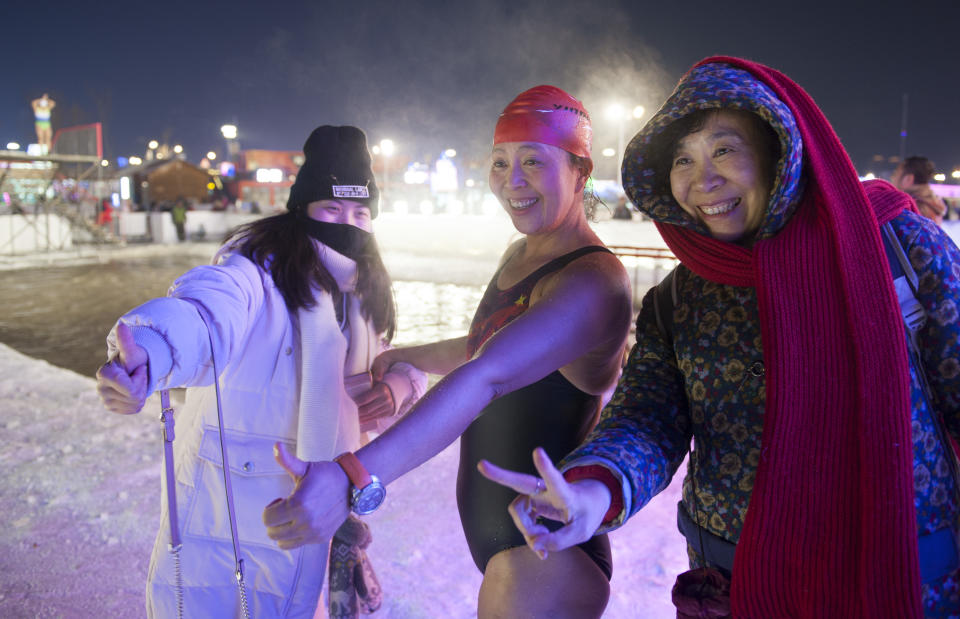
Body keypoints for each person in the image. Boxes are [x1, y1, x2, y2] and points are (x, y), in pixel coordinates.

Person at [480, 57, 960, 618]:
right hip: (731, 587)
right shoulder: (682, 298)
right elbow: (647, 418)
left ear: (780, 151)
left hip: (905, 579)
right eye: (682, 159)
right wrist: (595, 489)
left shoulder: (894, 248)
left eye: (724, 150)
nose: (701, 180)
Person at [263, 86, 633, 618]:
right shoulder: (522, 254)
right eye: (501, 162)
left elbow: (489, 375)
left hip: (547, 553)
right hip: (511, 545)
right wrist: (411, 355)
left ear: (580, 170)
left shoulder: (594, 280)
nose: (513, 180)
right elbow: (490, 343)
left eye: (534, 160)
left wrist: (353, 475)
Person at [95, 125, 426, 618]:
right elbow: (206, 312)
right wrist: (152, 350)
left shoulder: (362, 286)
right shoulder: (256, 268)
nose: (347, 224)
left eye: (360, 213)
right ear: (303, 209)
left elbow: (379, 359)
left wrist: (399, 385)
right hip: (231, 510)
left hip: (321, 504)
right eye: (331, 209)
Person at [893, 155, 949, 225]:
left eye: (896, 174)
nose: (893, 178)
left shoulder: (911, 208)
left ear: (908, 179)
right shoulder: (933, 203)